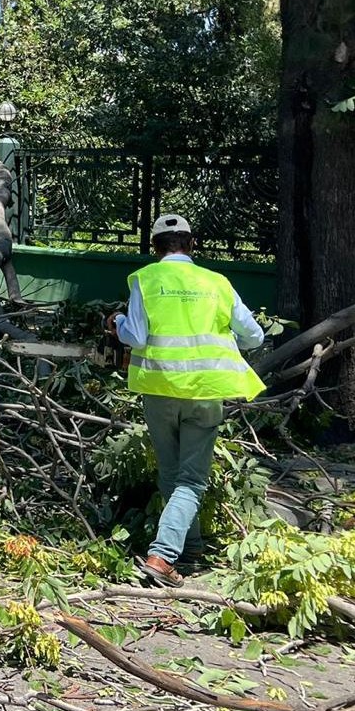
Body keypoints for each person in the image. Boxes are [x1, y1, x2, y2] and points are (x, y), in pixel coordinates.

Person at [110, 213, 266, 587]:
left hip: (160, 389)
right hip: (205, 391)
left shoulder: (146, 280)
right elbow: (254, 337)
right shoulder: (217, 283)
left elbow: (136, 337)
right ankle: (163, 556)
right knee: (192, 480)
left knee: (171, 473)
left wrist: (116, 323)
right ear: (192, 245)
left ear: (155, 248)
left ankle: (189, 546)